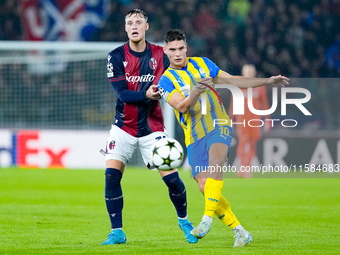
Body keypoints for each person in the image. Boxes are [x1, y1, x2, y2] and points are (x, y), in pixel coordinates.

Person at [158, 29, 289, 247]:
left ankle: (206, 220)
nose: (178, 53)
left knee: (215, 166)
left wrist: (267, 81)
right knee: (203, 185)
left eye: (181, 48)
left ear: (186, 47)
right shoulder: (165, 81)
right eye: (173, 50)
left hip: (219, 124)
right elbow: (181, 106)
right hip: (194, 135)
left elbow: (233, 80)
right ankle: (240, 231)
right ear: (165, 51)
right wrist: (196, 92)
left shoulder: (203, 64)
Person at [102, 10, 197, 245]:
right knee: (112, 176)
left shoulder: (160, 55)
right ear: (126, 28)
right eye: (129, 23)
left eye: (138, 22)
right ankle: (117, 232)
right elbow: (122, 94)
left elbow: (178, 75)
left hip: (153, 128)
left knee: (172, 180)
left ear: (146, 26)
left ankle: (184, 220)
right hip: (123, 127)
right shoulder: (115, 56)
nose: (134, 26)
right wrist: (147, 93)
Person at [229, 64, 271, 178]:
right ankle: (242, 167)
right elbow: (234, 103)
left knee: (252, 143)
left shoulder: (260, 86)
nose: (248, 74)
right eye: (246, 71)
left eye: (250, 71)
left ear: (254, 73)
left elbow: (264, 104)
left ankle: (247, 167)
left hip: (255, 119)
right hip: (242, 119)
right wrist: (231, 119)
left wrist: (267, 119)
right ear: (243, 73)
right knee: (242, 143)